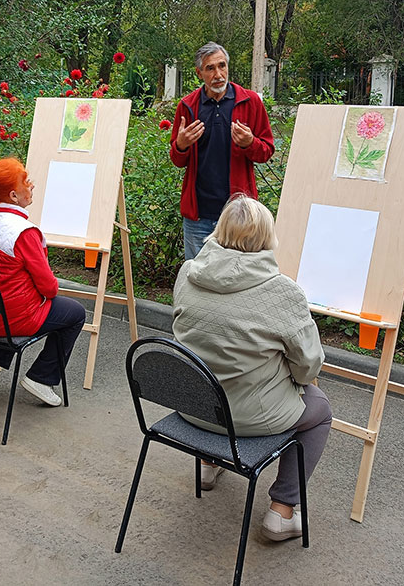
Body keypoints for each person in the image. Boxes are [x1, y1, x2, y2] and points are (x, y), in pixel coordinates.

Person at [171, 194, 331, 542]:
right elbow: (308, 367)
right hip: (247, 419)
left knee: (216, 367)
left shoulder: (188, 273)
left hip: (191, 405)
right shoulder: (283, 292)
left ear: (219, 230)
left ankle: (208, 466)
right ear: (267, 238)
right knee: (319, 409)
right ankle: (282, 510)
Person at [0, 157, 85, 407]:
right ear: (13, 195)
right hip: (8, 320)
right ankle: (41, 378)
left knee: (7, 297)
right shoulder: (23, 232)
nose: (31, 186)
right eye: (26, 183)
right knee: (74, 313)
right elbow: (49, 288)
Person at [169, 42, 275, 260]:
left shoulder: (250, 102)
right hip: (198, 215)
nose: (218, 74)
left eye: (222, 66)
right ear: (199, 73)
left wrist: (250, 143)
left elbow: (266, 152)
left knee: (236, 279)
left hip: (239, 214)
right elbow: (177, 160)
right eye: (210, 68)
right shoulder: (188, 106)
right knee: (196, 277)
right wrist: (181, 145)